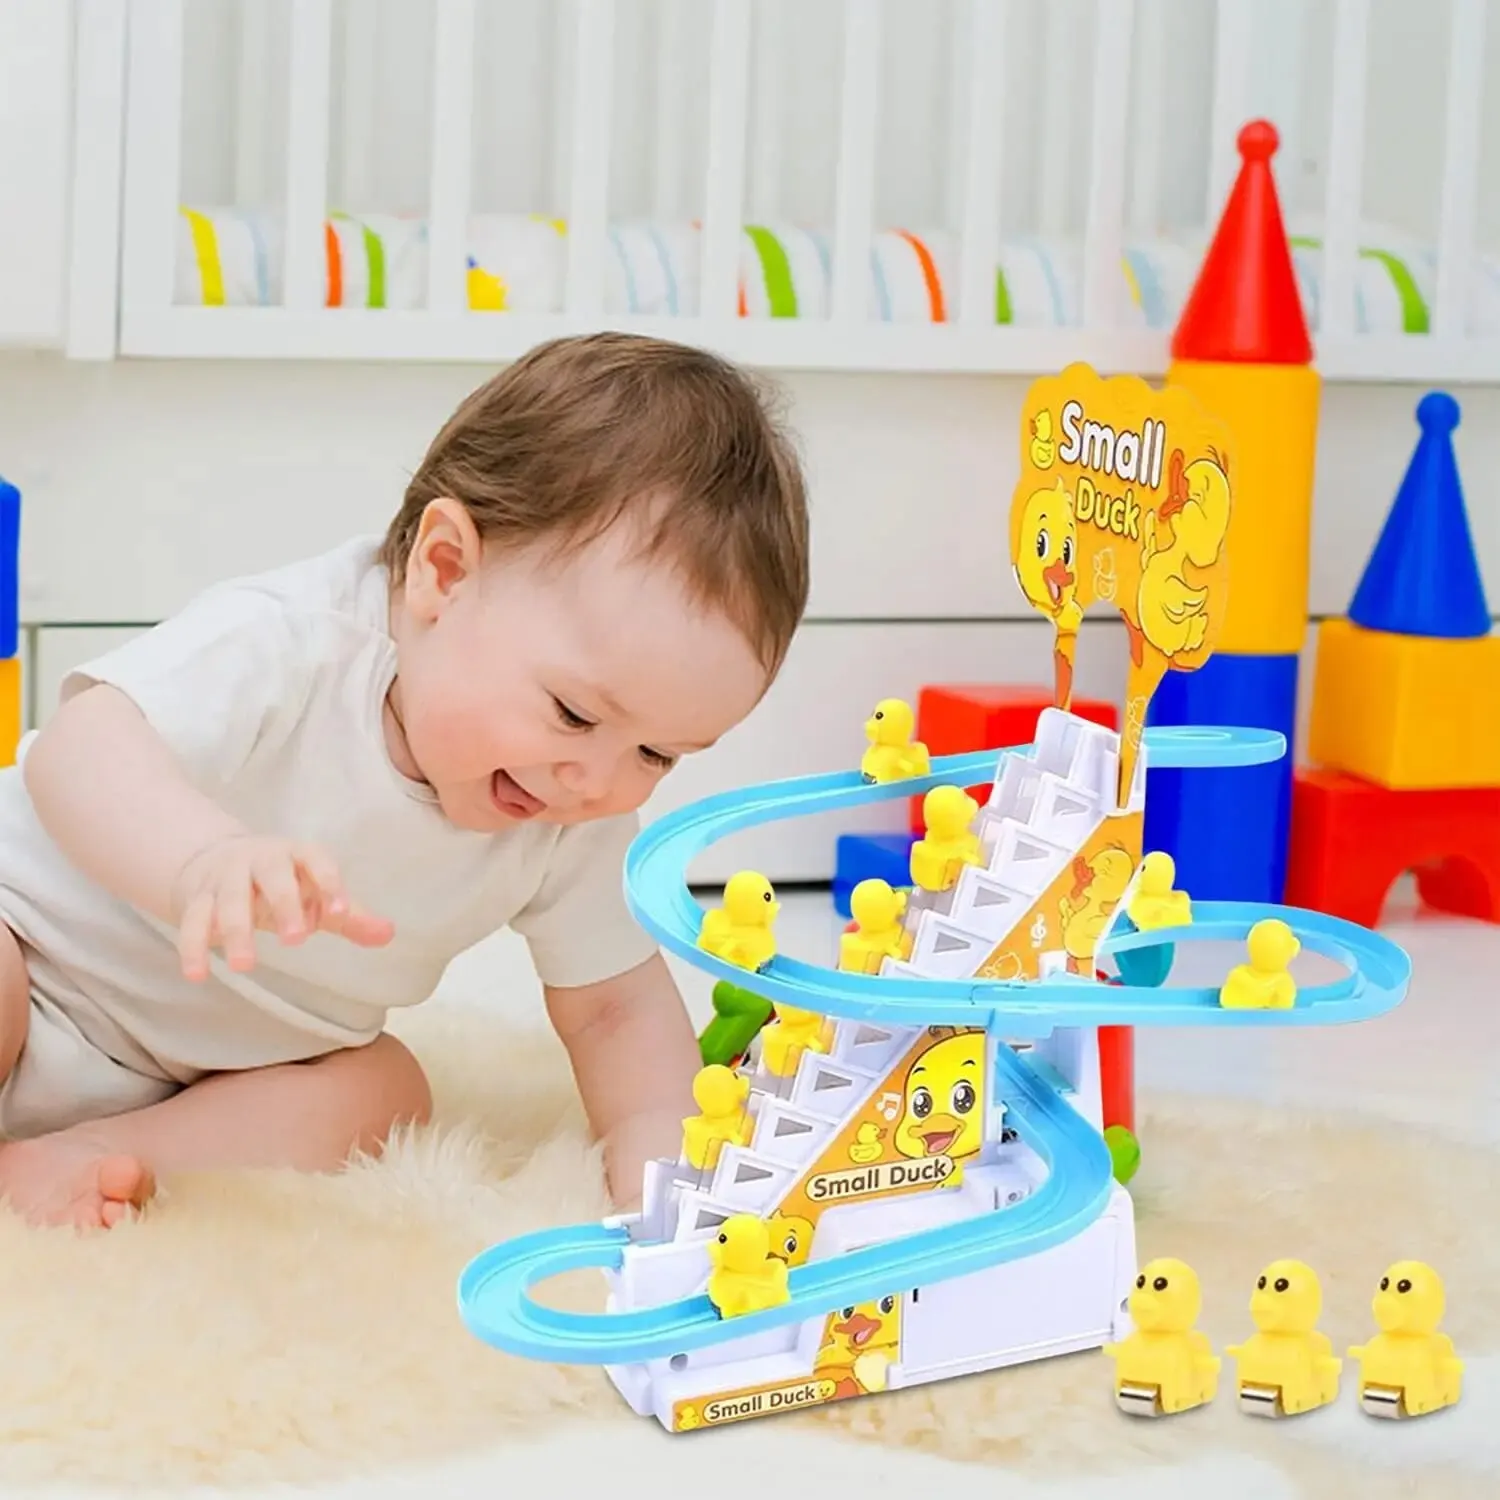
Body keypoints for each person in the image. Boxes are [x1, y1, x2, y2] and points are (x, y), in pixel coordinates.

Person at [0, 333, 810, 1229]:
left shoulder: (571, 804)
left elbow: (617, 1009)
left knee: (384, 1093)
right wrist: (202, 861)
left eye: (657, 756)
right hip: (36, 963)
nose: (598, 780)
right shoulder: (293, 646)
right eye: (575, 715)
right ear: (445, 571)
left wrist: (668, 1172)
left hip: (209, 1068)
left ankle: (83, 1157)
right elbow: (82, 747)